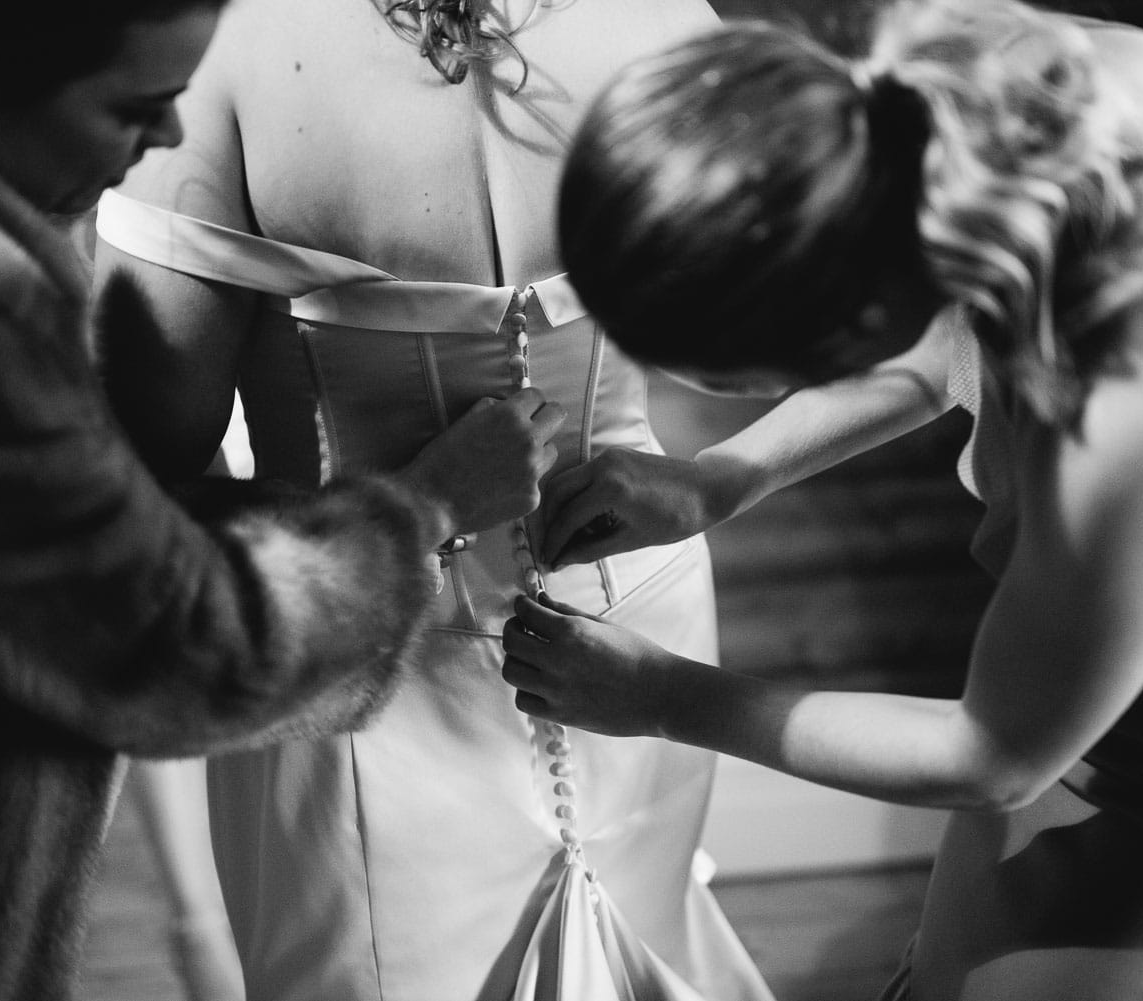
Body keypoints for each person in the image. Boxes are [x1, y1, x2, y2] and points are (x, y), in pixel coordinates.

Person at [501, 3, 1143, 999]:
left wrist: (662, 695)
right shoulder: (937, 106)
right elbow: (941, 330)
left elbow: (991, 753)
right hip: (1087, 660)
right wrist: (723, 476)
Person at [0, 0, 562, 997]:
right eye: (133, 106)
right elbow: (168, 640)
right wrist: (422, 509)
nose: (170, 136)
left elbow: (52, 534)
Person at [91, 1, 775, 999]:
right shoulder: (667, 20)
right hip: (631, 612)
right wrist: (722, 473)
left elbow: (130, 500)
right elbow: (765, 344)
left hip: (361, 646)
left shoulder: (224, 51)